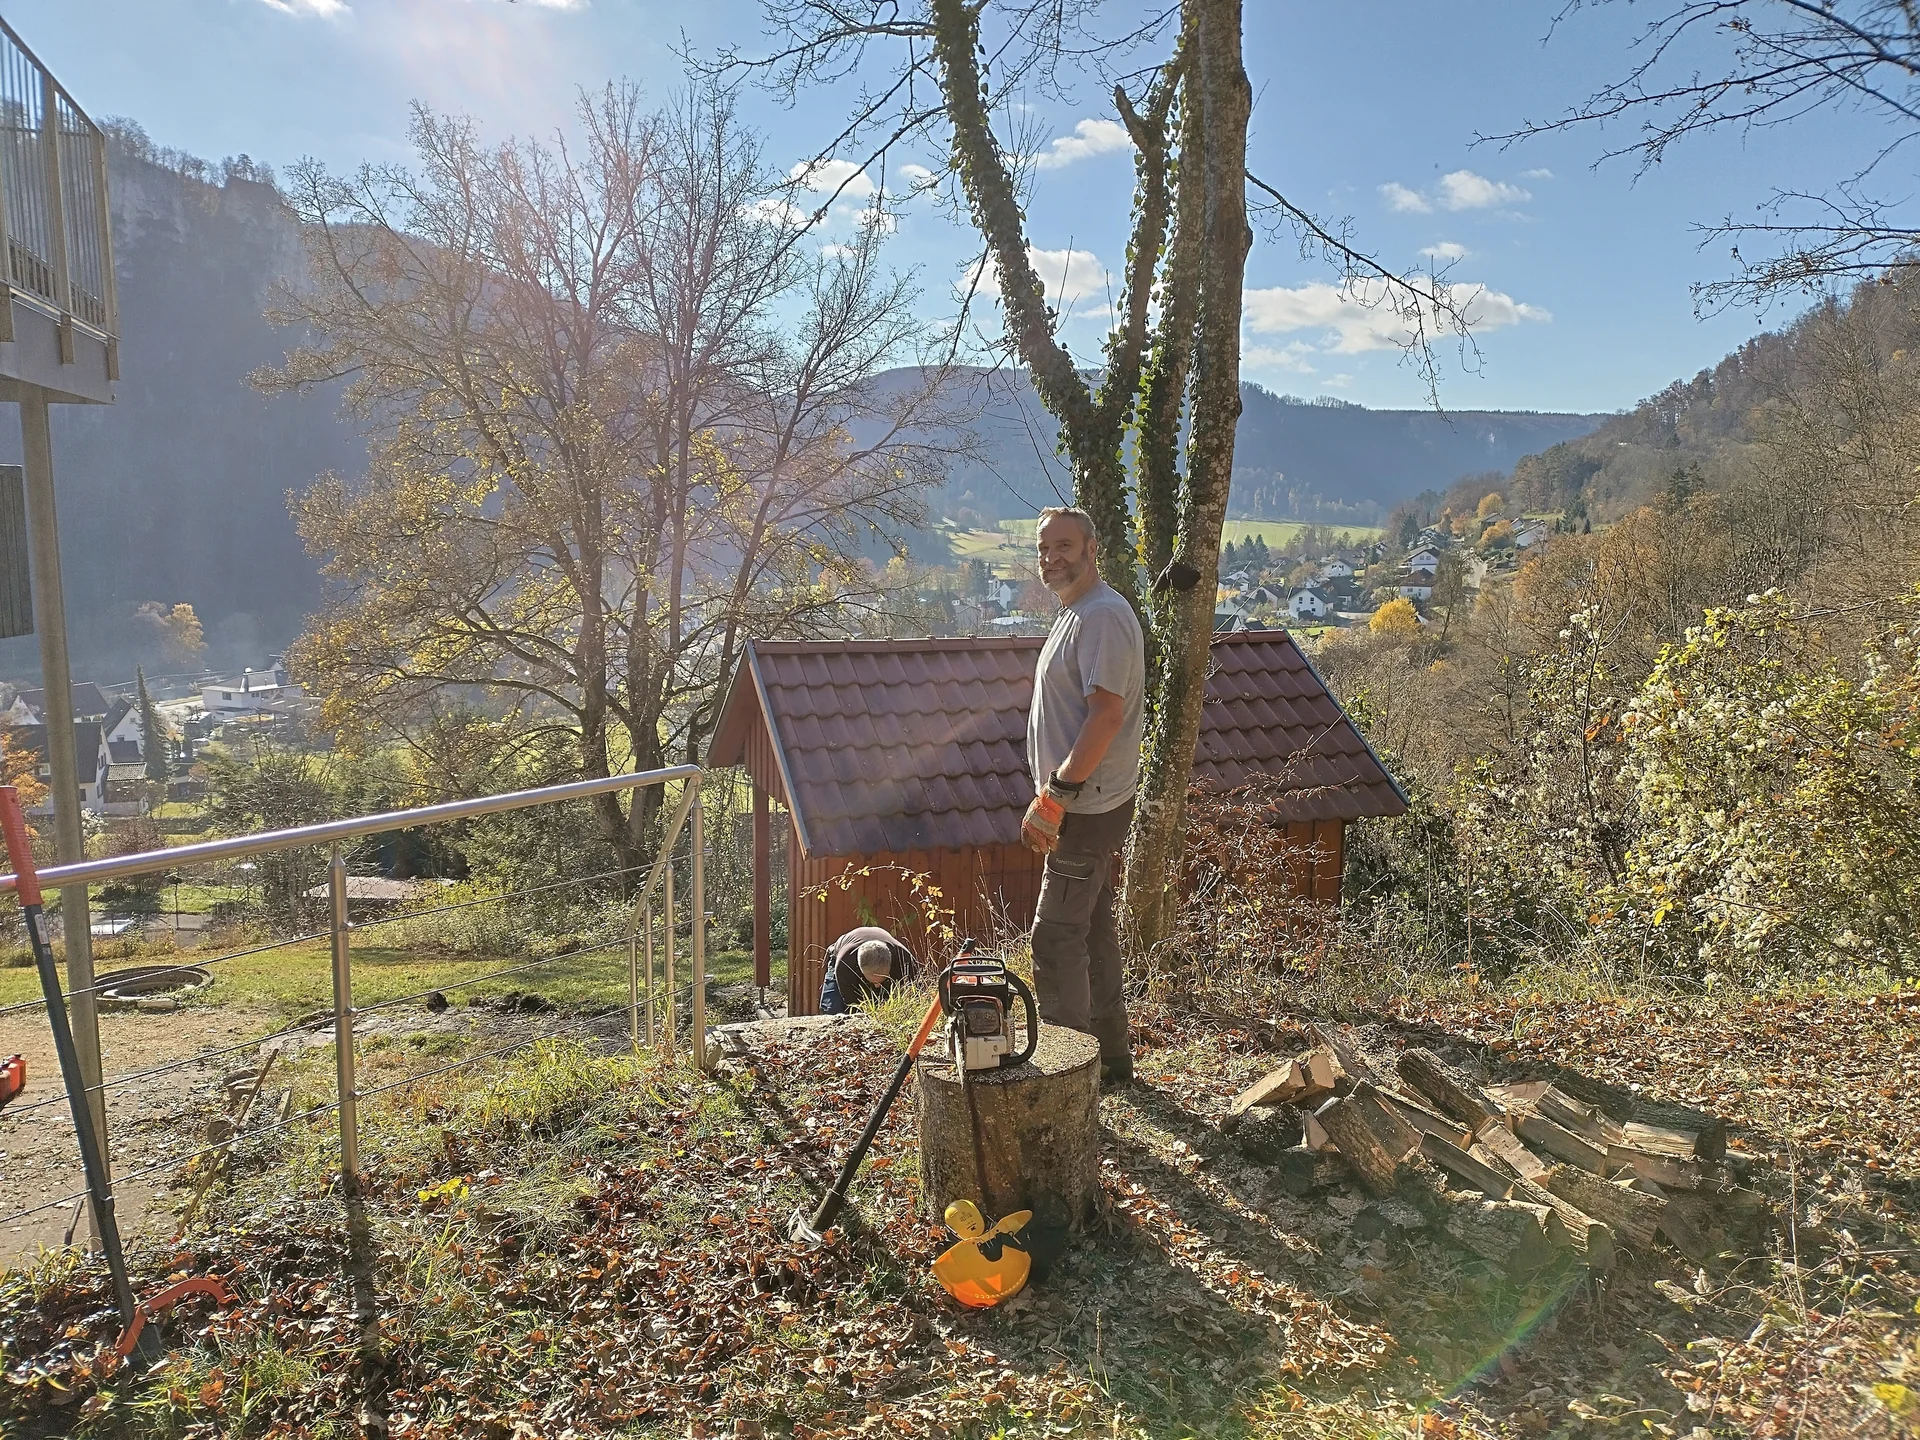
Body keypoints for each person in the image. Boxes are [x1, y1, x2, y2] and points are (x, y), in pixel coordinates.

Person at [1020, 505, 1145, 1085]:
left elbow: (1106, 716)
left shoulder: (1102, 617)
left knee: (1055, 937)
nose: (1052, 557)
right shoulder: (1076, 612)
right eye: (1045, 548)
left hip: (1085, 808)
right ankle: (1111, 1058)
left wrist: (1055, 798)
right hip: (1081, 802)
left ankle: (1066, 1075)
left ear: (1092, 548)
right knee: (1092, 929)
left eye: (1064, 546)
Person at [818, 925, 917, 1014]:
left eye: (881, 981)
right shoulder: (844, 964)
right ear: (860, 969)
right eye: (873, 981)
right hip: (839, 953)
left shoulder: (904, 959)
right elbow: (852, 1004)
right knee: (832, 1008)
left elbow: (916, 996)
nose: (877, 986)